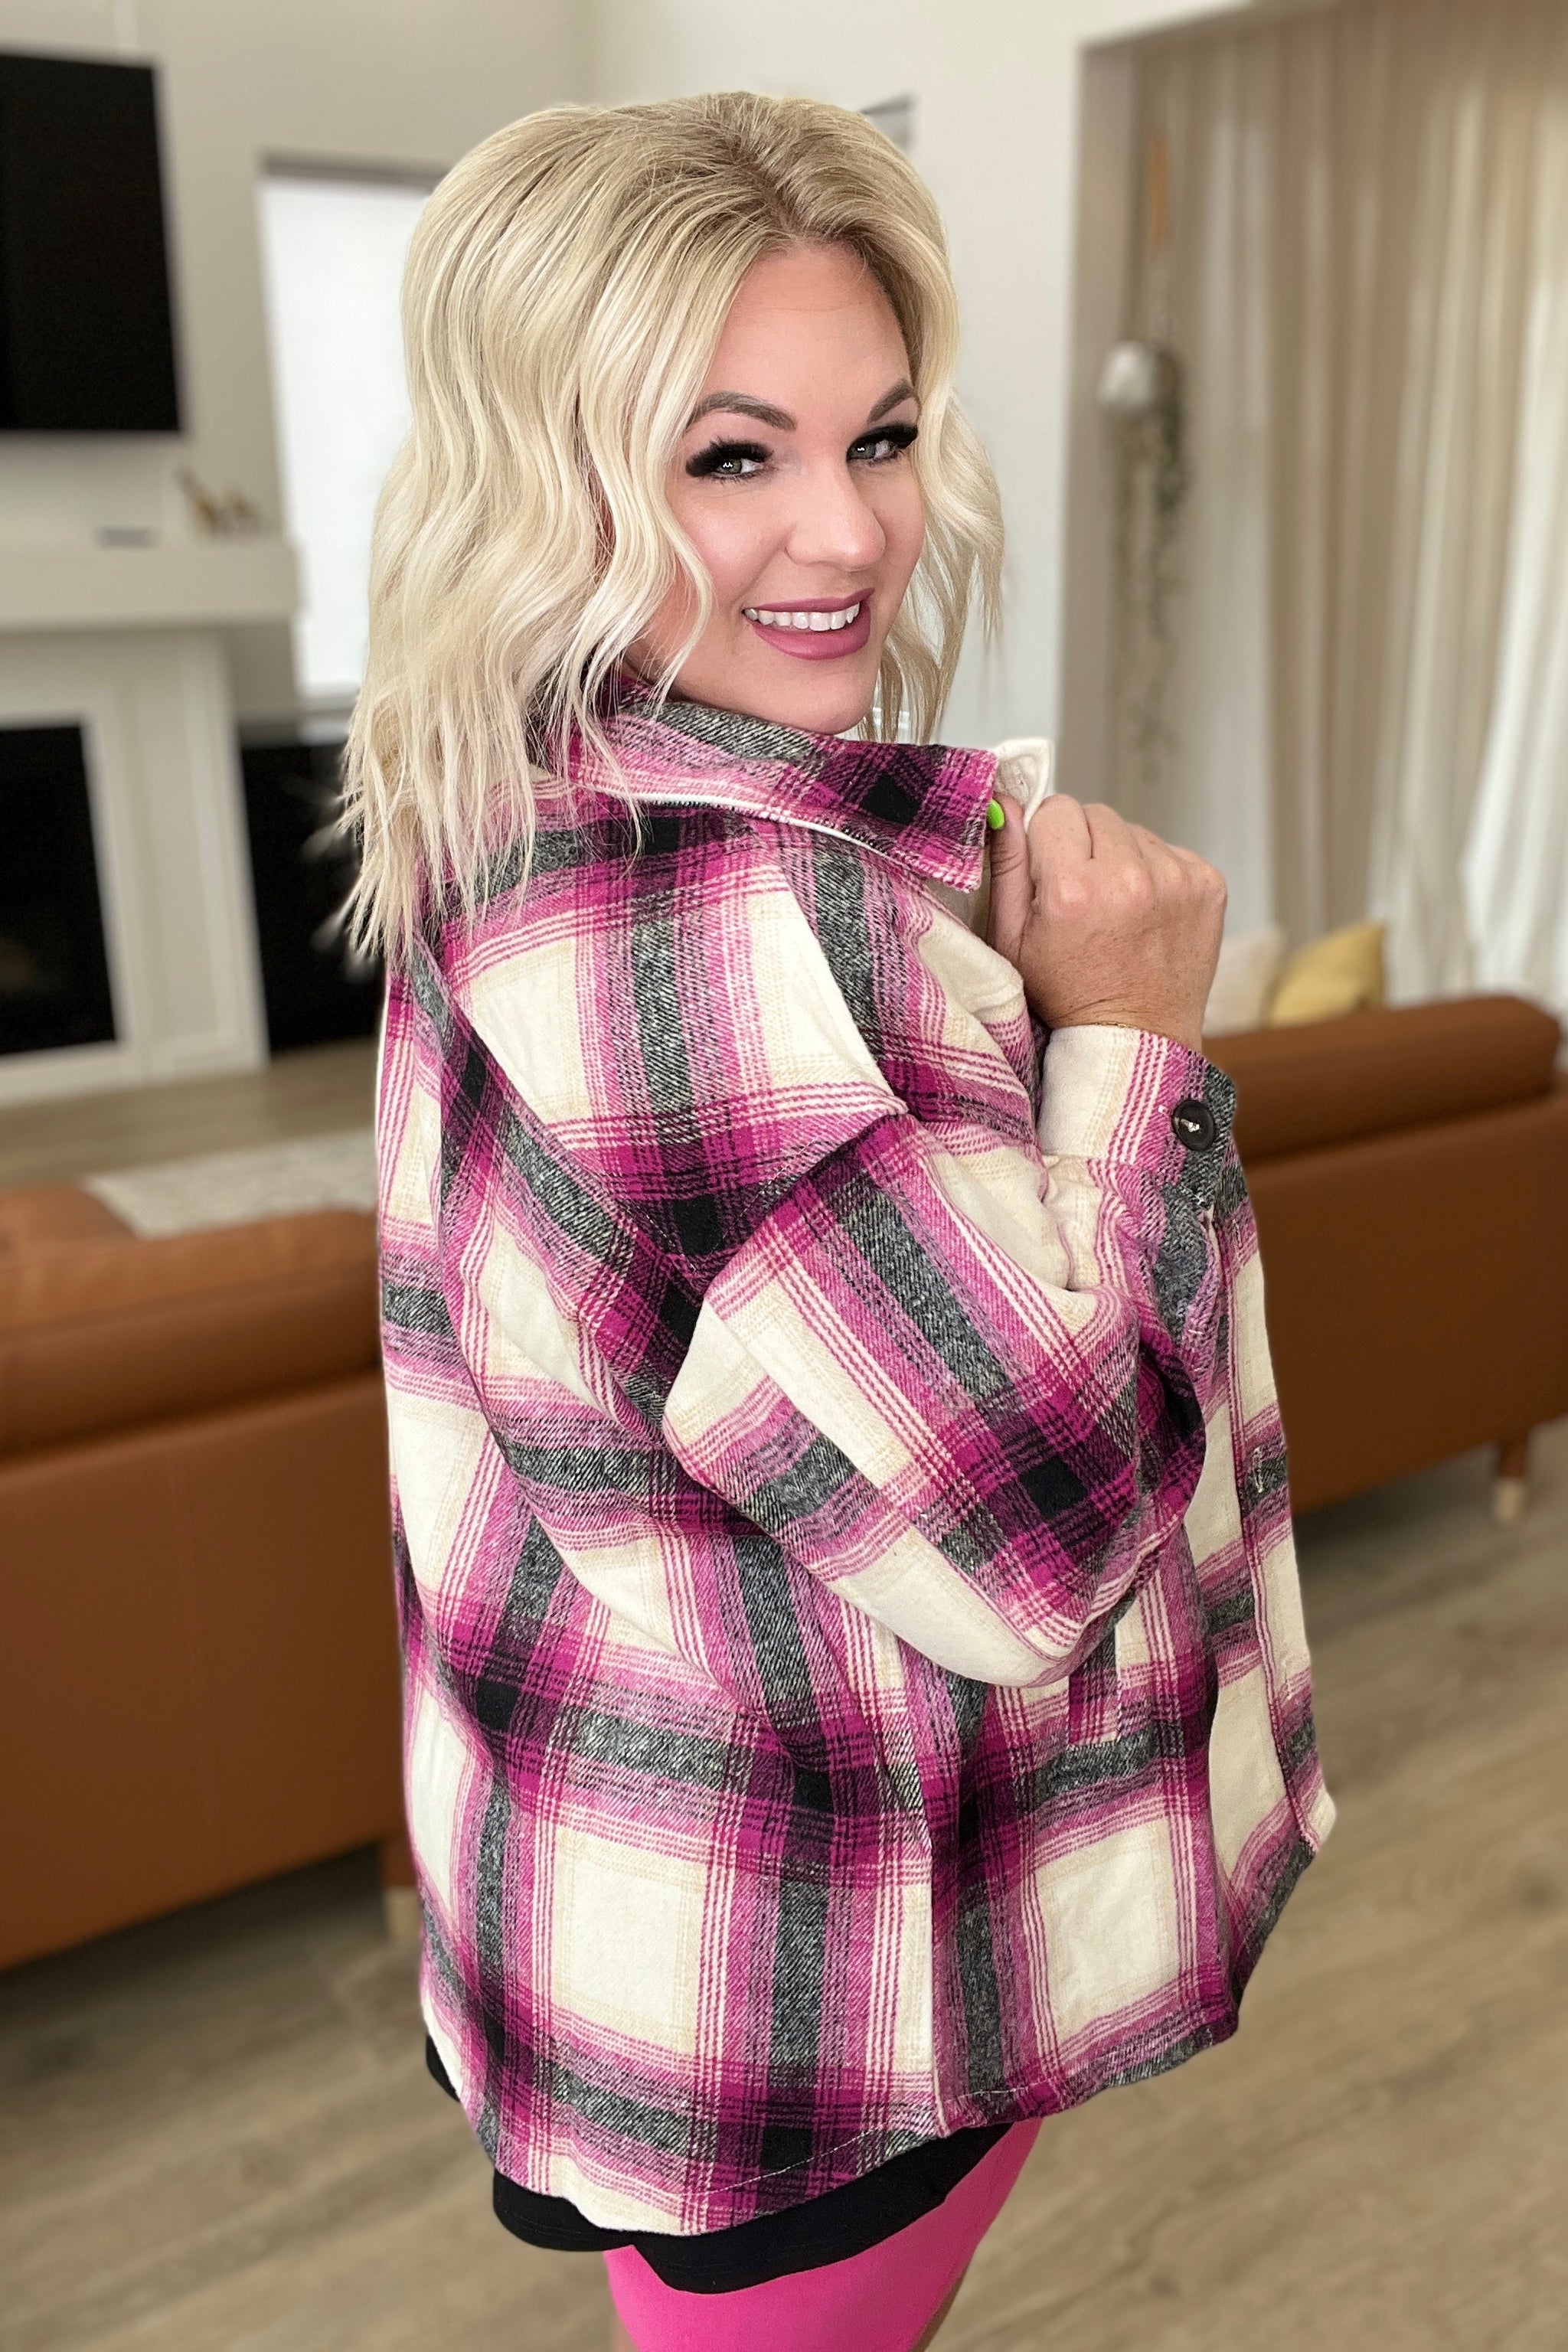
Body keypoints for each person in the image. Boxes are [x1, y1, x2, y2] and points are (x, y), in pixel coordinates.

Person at [345, 90, 1334, 2352]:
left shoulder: (533, 799)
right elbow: (1040, 1538)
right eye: (733, 455)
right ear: (549, 477)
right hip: (820, 1982)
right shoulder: (703, 926)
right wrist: (1129, 1039)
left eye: (878, 437)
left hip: (691, 1917)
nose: (849, 530)